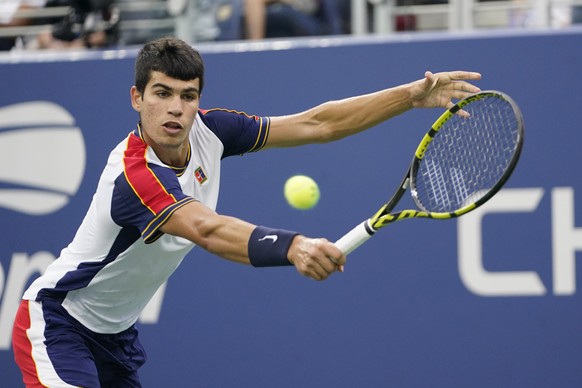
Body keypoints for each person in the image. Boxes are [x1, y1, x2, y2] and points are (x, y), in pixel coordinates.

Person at [11, 36, 481, 387]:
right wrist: (293, 246)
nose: (175, 108)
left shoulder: (212, 132)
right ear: (138, 98)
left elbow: (317, 123)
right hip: (58, 323)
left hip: (115, 336)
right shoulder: (134, 177)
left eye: (188, 95)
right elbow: (207, 229)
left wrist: (409, 97)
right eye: (161, 94)